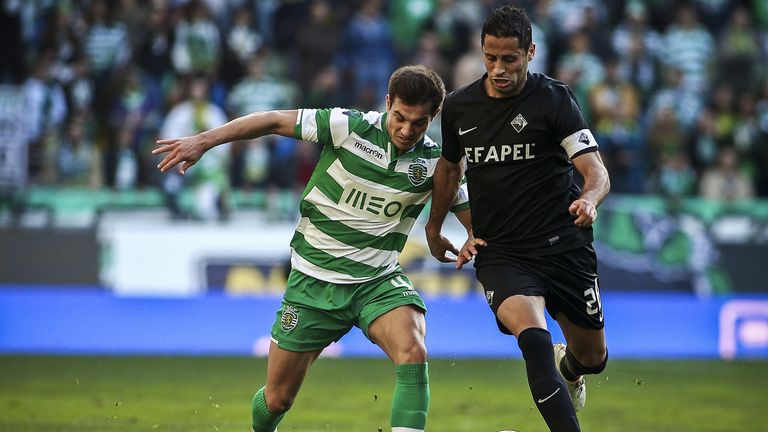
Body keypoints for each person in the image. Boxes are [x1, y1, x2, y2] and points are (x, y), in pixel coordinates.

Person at [153, 65, 470, 432]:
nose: (406, 130)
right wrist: (204, 141)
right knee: (277, 400)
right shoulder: (347, 127)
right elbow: (272, 120)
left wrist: (473, 237)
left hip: (376, 280)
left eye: (419, 122)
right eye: (400, 117)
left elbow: (467, 212)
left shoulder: (435, 161)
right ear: (387, 103)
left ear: (434, 118)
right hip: (313, 283)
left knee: (413, 351)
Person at [424, 6, 610, 432]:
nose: (499, 69)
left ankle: (573, 367)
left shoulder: (554, 98)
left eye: (509, 59)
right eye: (491, 58)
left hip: (564, 244)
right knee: (534, 340)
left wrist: (590, 200)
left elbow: (595, 171)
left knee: (594, 358)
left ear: (530, 52)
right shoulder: (459, 107)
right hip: (503, 251)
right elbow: (450, 170)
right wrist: (435, 228)